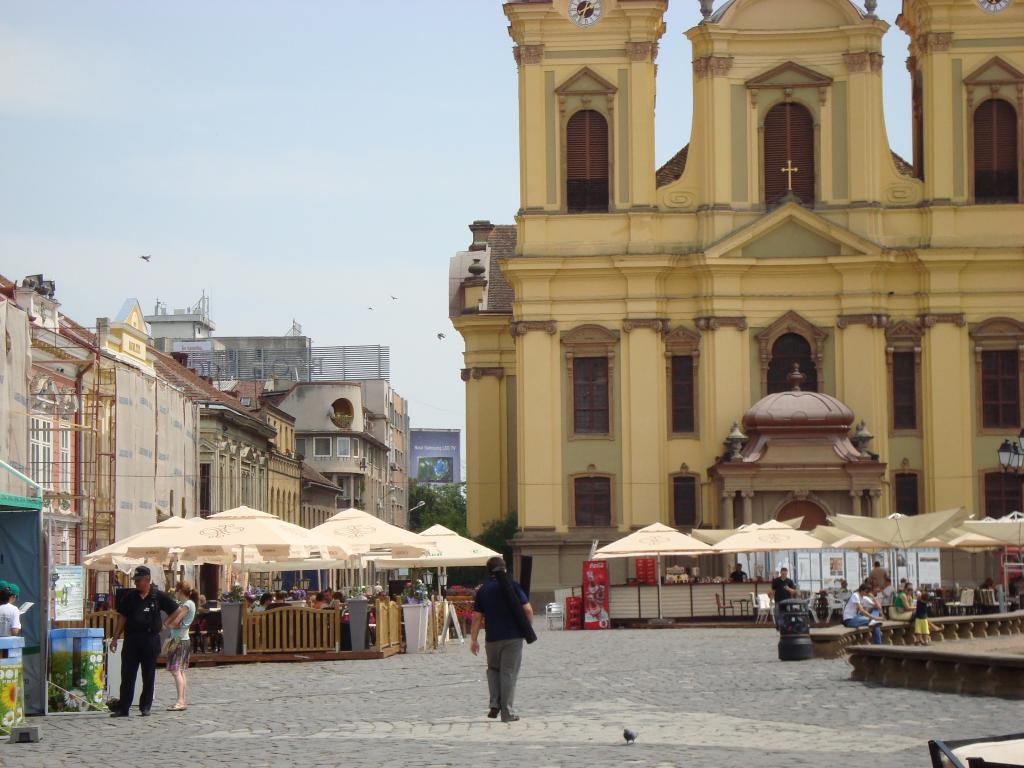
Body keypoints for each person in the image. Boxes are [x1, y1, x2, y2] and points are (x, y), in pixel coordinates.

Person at [109, 566, 185, 718]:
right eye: (135, 581)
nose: (136, 583)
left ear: (147, 580)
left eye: (139, 580)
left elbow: (177, 610)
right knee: (127, 674)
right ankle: (123, 707)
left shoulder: (157, 596)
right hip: (132, 639)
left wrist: (166, 624)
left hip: (150, 639)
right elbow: (122, 618)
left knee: (148, 675)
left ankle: (145, 707)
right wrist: (115, 638)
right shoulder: (130, 597)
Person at [470, 556, 534, 723]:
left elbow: (477, 617)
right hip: (513, 637)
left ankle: (494, 704)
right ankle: (507, 712)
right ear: (504, 569)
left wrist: (473, 639)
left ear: (488, 571)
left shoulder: (483, 590)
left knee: (493, 670)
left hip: (492, 638)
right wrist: (527, 628)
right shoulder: (513, 585)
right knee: (508, 673)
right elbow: (528, 610)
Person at [163, 580, 198, 711]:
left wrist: (168, 624)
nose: (175, 594)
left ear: (181, 591)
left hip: (178, 640)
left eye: (176, 591)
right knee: (180, 671)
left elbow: (176, 622)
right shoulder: (190, 604)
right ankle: (182, 700)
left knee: (175, 670)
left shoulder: (187, 605)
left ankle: (180, 701)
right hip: (183, 639)